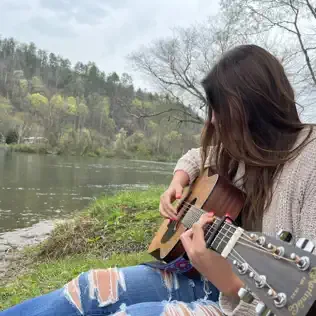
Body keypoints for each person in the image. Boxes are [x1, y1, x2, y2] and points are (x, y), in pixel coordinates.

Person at [2, 44, 316, 316]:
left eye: (221, 110)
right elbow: (196, 157)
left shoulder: (309, 164)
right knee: (90, 287)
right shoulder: (244, 150)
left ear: (255, 109)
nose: (213, 121)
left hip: (245, 303)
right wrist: (178, 182)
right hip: (204, 279)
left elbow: (303, 297)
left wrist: (231, 283)